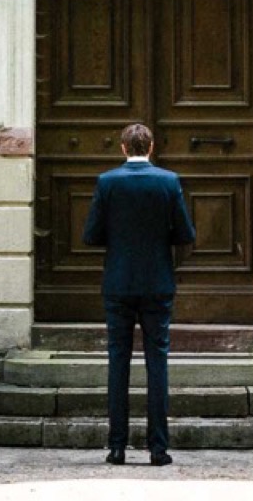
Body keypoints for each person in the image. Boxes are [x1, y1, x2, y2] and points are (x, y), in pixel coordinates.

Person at [81, 121, 196, 466]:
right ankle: (158, 449)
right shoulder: (168, 181)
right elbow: (185, 233)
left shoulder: (107, 182)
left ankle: (116, 447)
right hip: (157, 284)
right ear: (151, 147)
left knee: (118, 362)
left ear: (122, 148)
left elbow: (90, 235)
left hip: (118, 284)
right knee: (157, 363)